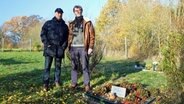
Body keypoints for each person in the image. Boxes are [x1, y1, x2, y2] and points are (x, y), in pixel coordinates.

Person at [68, 5, 95, 92]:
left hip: (83, 47)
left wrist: (90, 47)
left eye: (79, 10)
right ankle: (74, 83)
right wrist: (68, 46)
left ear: (81, 11)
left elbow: (92, 36)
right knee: (74, 66)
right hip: (73, 48)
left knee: (85, 66)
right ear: (74, 12)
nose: (77, 11)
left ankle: (87, 85)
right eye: (76, 10)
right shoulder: (71, 23)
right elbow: (69, 36)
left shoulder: (87, 22)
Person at [40, 8, 69, 91]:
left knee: (58, 67)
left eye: (61, 13)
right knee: (47, 67)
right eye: (58, 13)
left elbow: (67, 38)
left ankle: (57, 81)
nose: (59, 14)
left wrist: (63, 47)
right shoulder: (48, 23)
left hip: (59, 49)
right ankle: (46, 84)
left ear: (62, 14)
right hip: (49, 49)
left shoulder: (64, 26)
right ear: (55, 13)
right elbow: (43, 34)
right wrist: (47, 44)